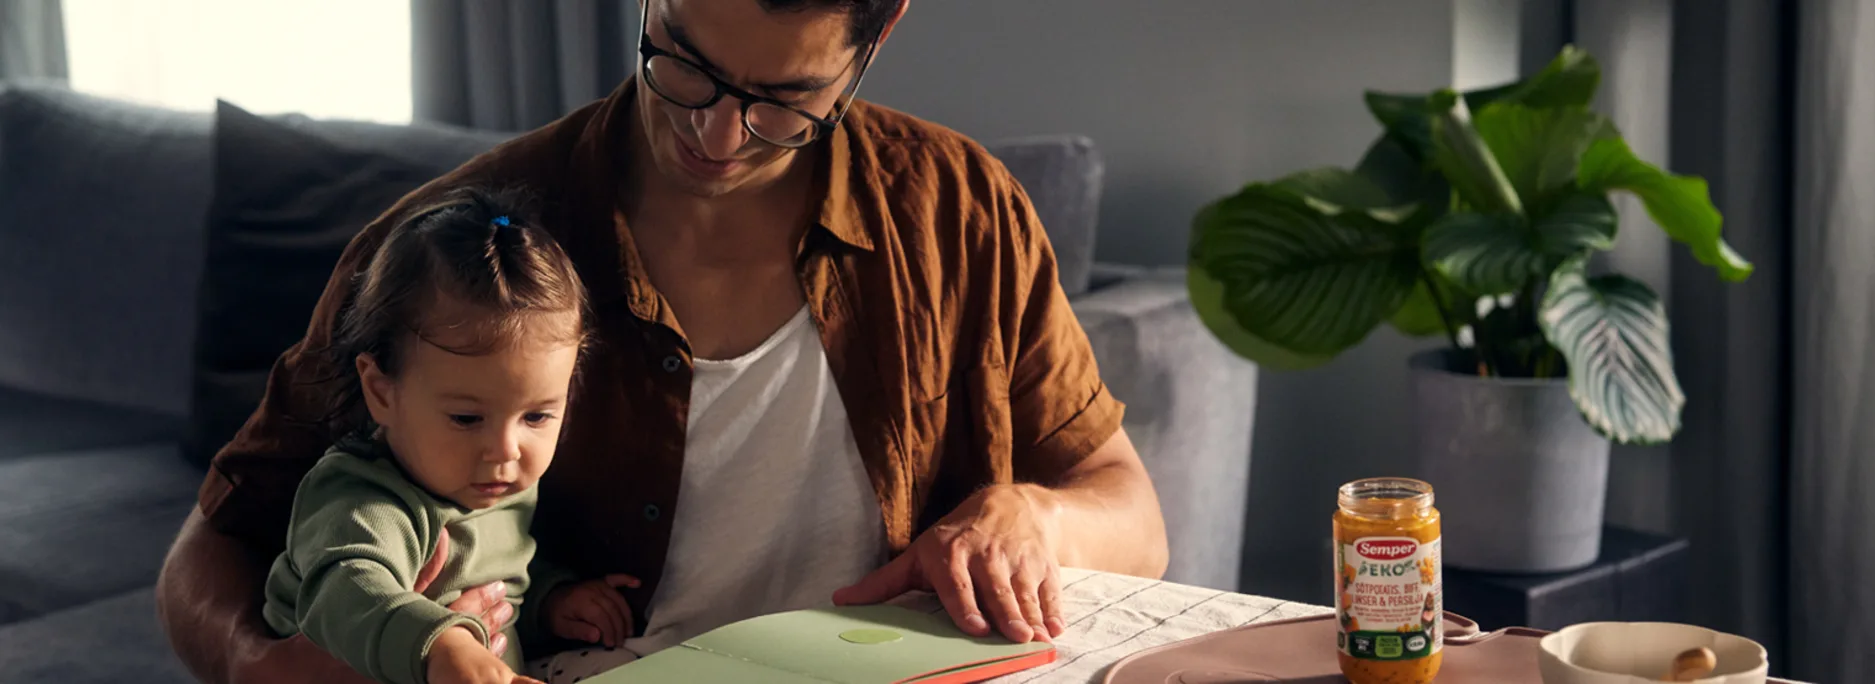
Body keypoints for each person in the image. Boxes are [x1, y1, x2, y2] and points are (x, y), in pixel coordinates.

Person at [157, 0, 1169, 681]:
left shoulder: (960, 212)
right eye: (680, 61)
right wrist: (256, 662)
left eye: (784, 103)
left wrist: (1033, 518)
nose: (717, 139)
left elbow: (1131, 515)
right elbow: (212, 548)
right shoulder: (458, 257)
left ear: (880, 32)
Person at [256, 189, 641, 684]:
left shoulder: (493, 487)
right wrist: (440, 642)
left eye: (537, 417)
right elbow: (346, 589)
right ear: (381, 391)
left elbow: (497, 565)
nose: (506, 450)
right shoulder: (361, 501)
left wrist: (551, 598)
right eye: (465, 418)